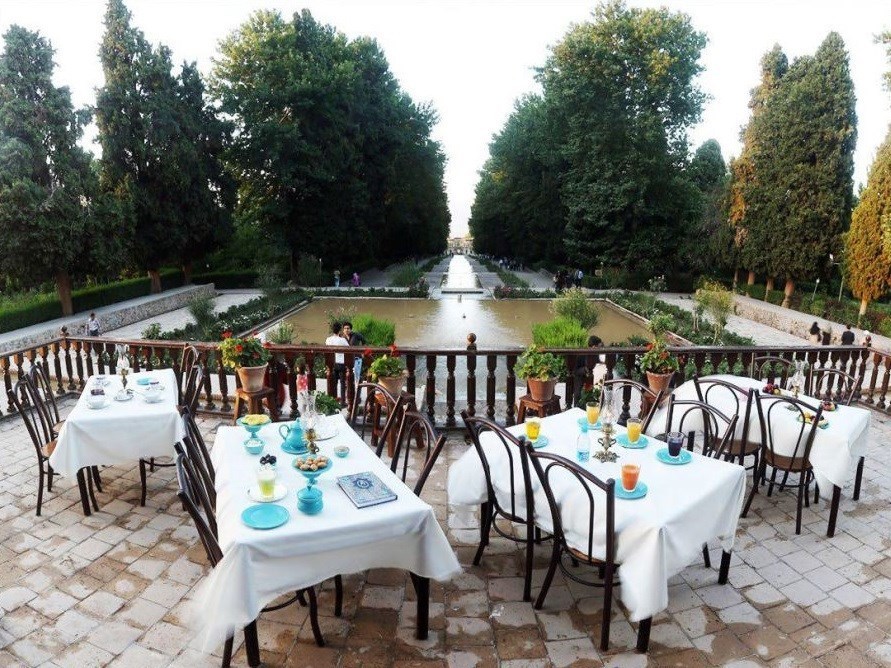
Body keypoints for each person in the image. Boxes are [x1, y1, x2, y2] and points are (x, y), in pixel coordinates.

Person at [325, 322, 349, 401]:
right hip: (341, 363)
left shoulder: (328, 339)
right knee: (343, 383)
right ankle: (343, 401)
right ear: (340, 330)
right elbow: (349, 349)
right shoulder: (342, 340)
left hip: (332, 363)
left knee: (334, 382)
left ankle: (333, 400)